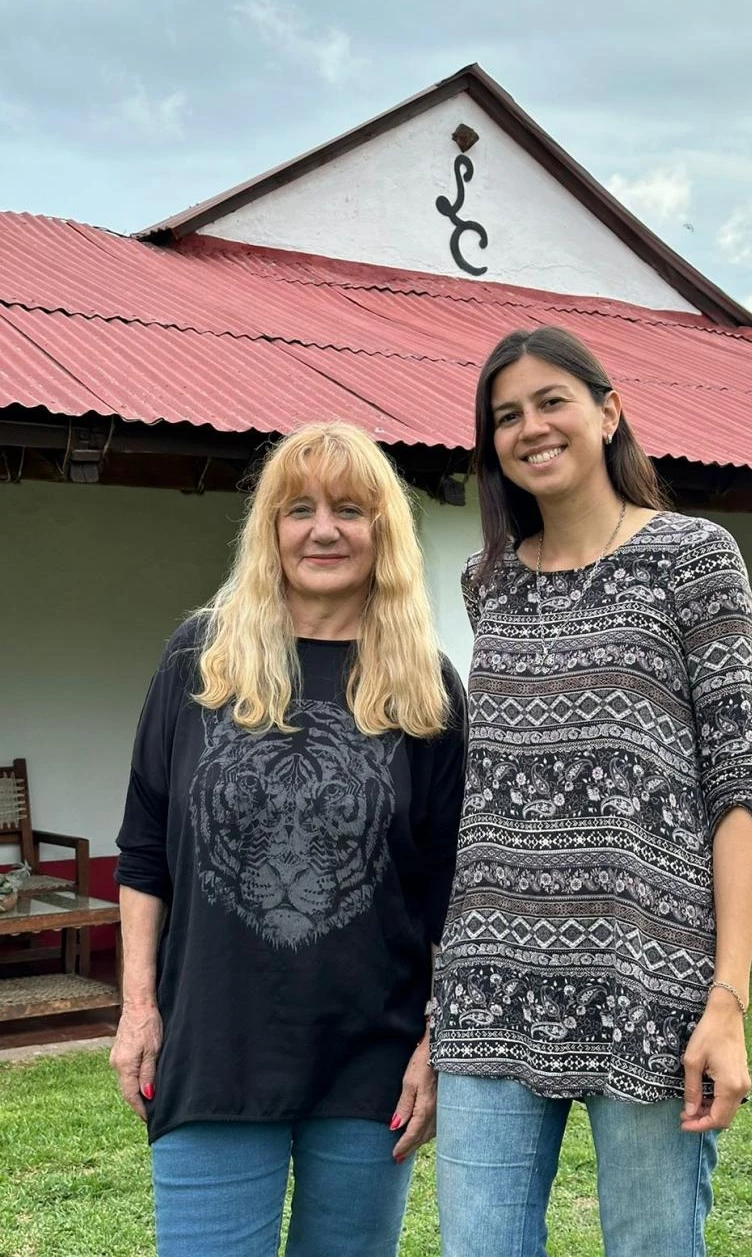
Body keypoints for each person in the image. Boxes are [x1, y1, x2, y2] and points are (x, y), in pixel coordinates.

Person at [430, 327, 752, 1257]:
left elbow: (738, 788)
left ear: (608, 410)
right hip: (488, 985)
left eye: (552, 401)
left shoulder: (693, 558)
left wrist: (727, 1003)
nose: (530, 428)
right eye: (506, 415)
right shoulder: (485, 584)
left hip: (648, 982)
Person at [110, 422, 466, 1257]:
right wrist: (138, 1009)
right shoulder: (199, 660)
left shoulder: (425, 688)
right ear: (270, 528)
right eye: (298, 508)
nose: (323, 529)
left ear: (385, 530)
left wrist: (434, 1043)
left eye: (351, 508)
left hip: (370, 1058)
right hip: (215, 1043)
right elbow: (143, 851)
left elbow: (456, 892)